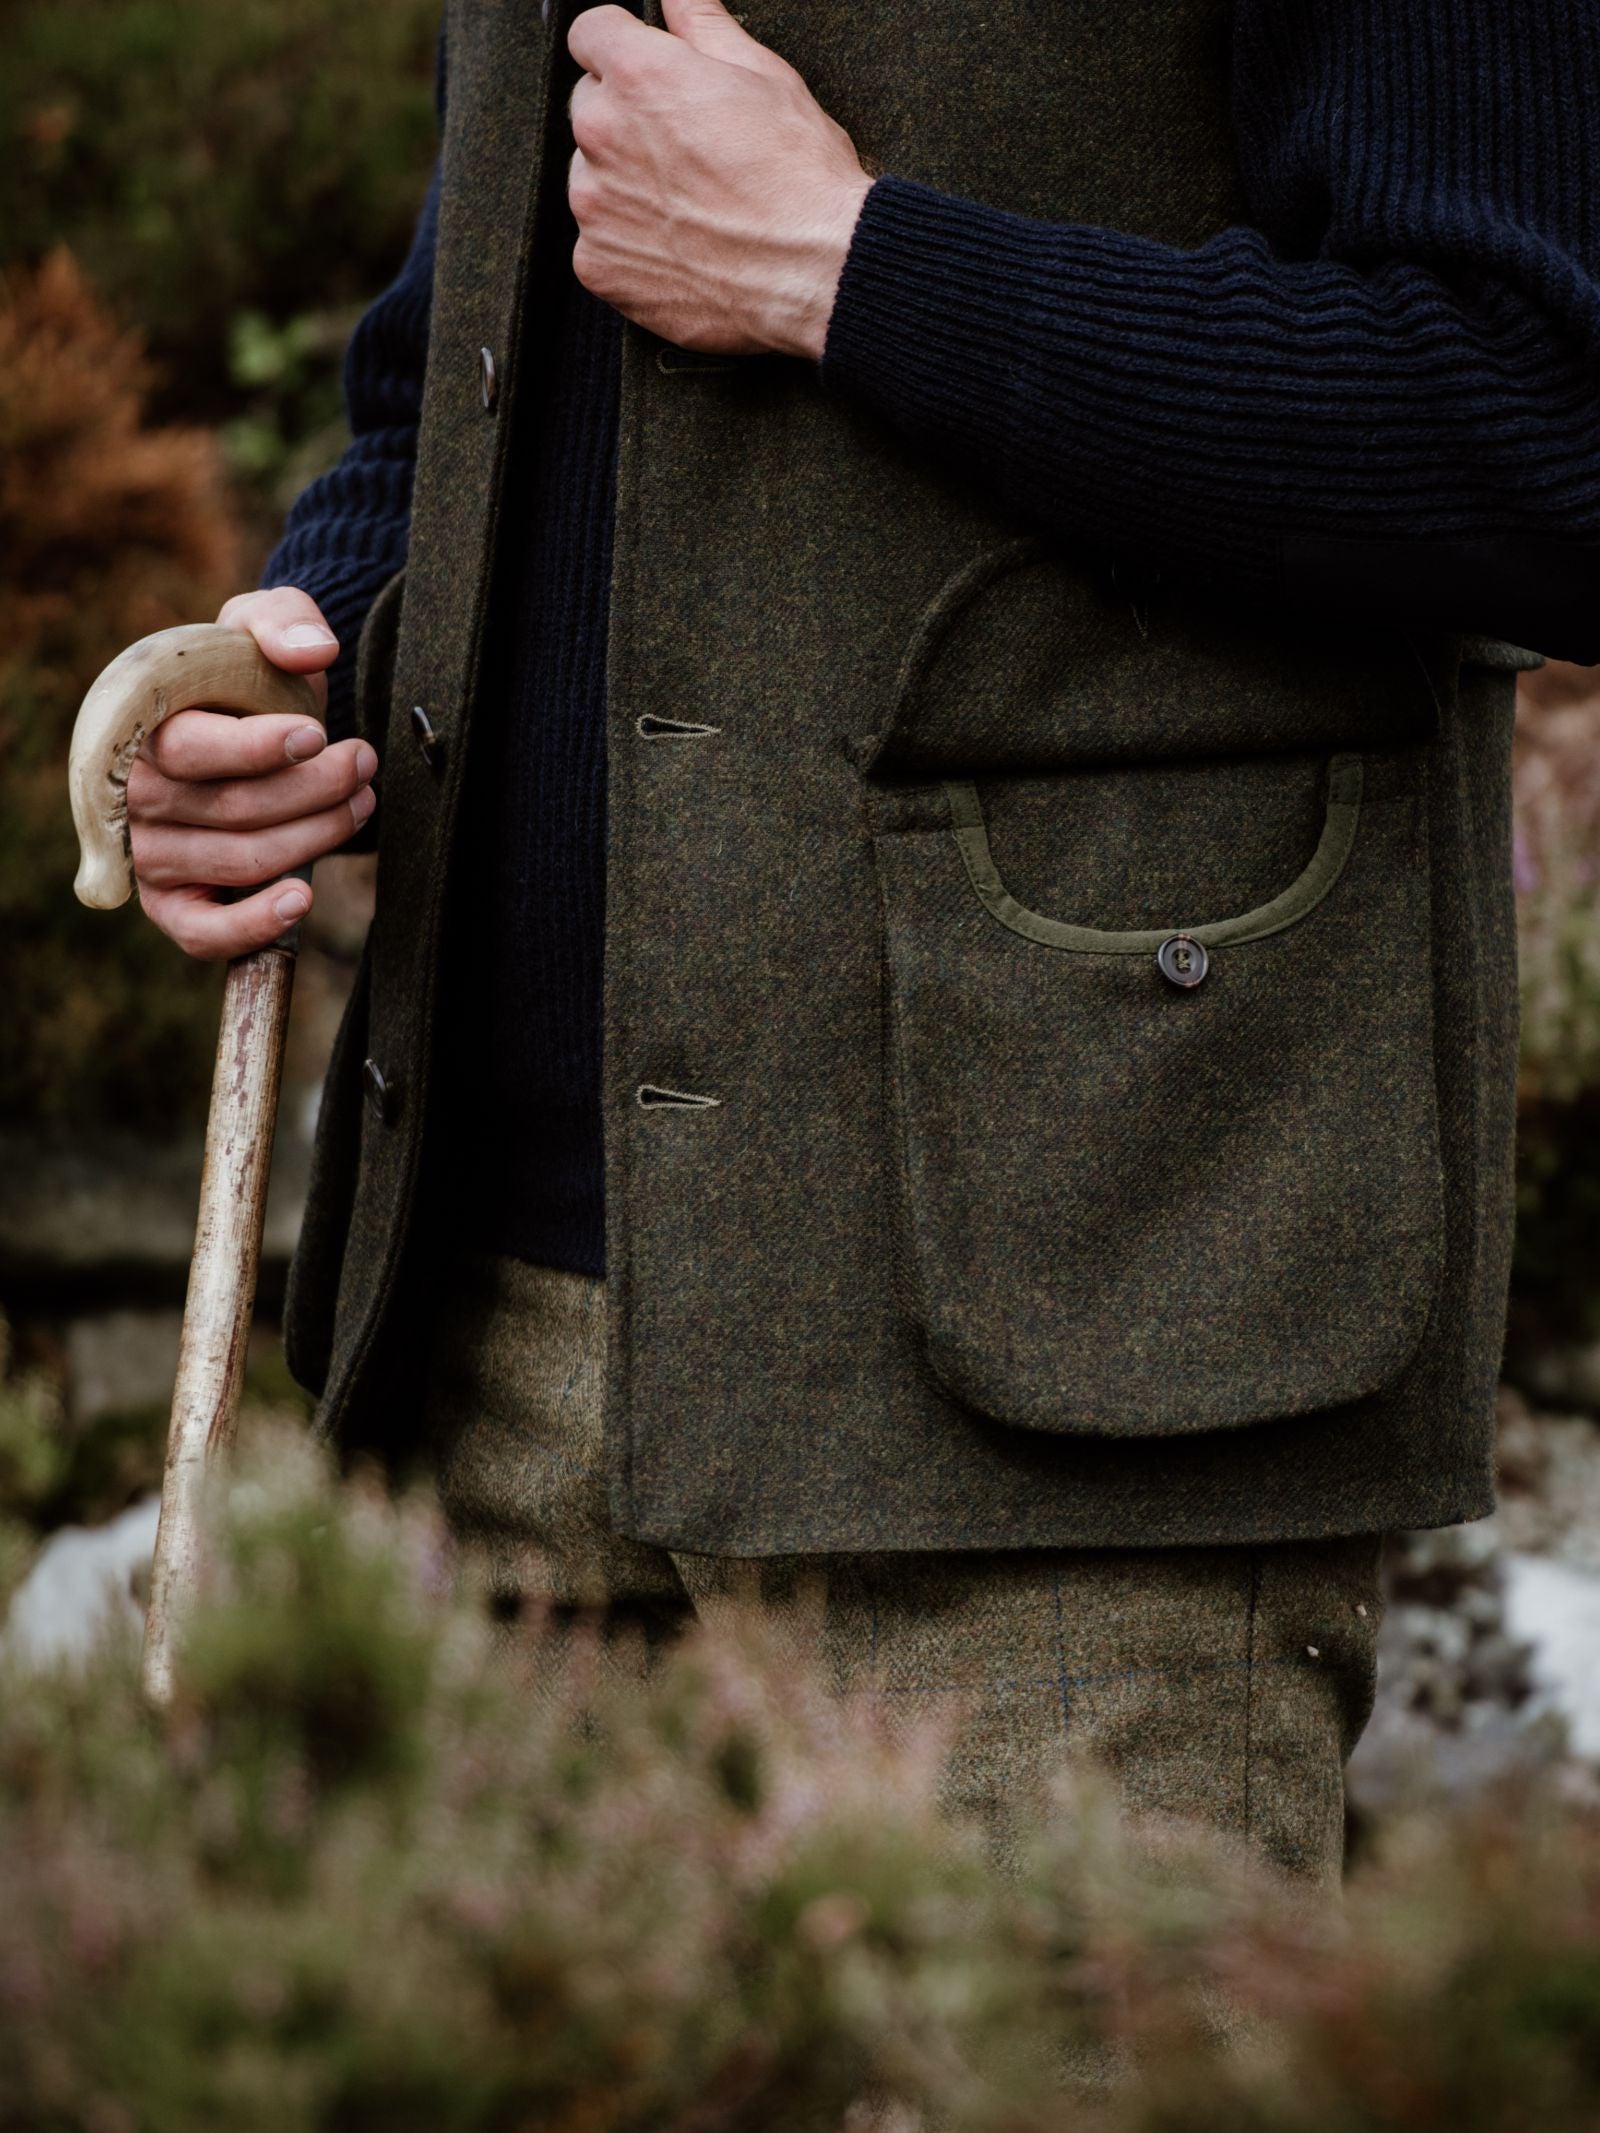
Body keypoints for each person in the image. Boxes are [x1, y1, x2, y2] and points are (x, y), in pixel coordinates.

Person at [124, 0, 1600, 1875]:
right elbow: (461, 372)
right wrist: (292, 680)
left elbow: (1542, 415)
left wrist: (853, 269)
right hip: (493, 1372)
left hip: (1071, 1400)